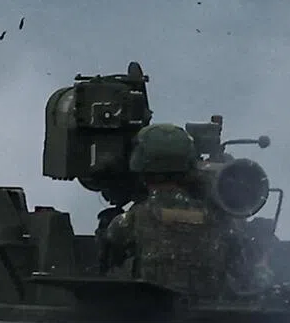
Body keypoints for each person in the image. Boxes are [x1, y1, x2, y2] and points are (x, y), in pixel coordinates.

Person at [104, 123, 271, 298]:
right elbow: (244, 274)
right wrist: (263, 265)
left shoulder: (131, 220)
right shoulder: (222, 221)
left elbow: (110, 263)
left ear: (141, 169)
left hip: (150, 314)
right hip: (211, 318)